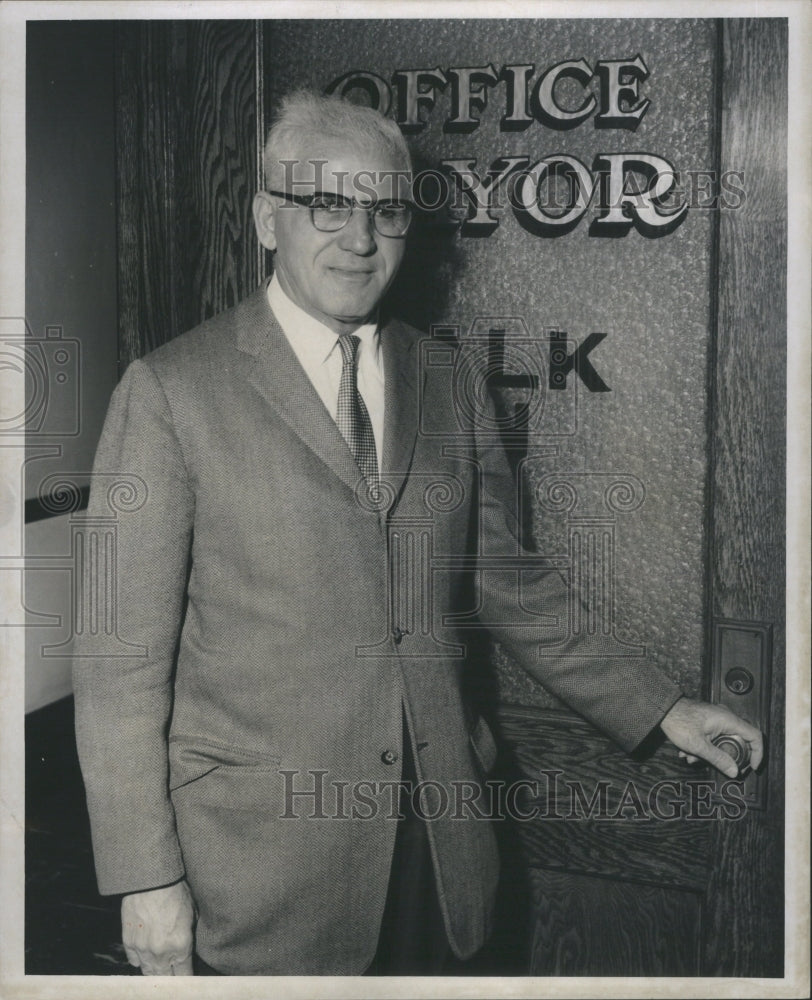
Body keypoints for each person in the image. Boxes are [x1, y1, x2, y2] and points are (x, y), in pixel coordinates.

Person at [73, 89, 763, 977]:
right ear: (266, 218)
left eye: (386, 210)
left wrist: (660, 707)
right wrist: (147, 877)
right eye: (326, 204)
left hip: (440, 854)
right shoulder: (169, 392)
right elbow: (114, 661)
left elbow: (506, 583)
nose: (360, 240)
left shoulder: (445, 377)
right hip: (260, 872)